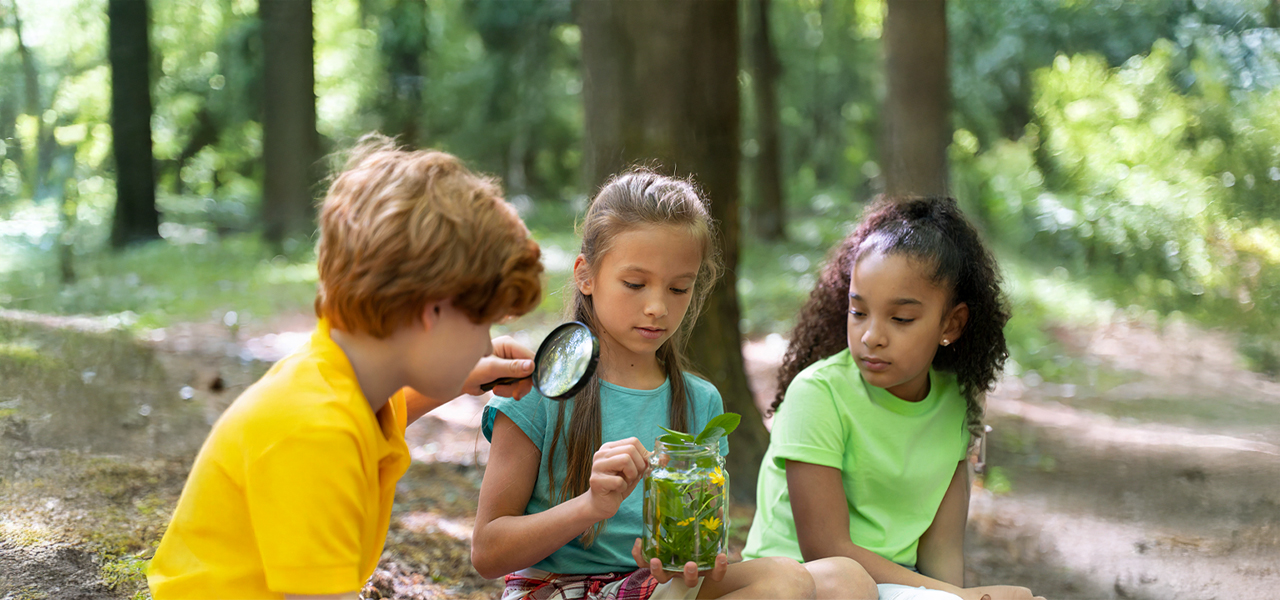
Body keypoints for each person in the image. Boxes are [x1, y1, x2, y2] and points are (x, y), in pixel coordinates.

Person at [147, 135, 545, 599]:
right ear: (431, 312)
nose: (483, 343)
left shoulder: (330, 382)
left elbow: (383, 412)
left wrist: (463, 377)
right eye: (482, 323)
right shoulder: (314, 434)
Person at [472, 170, 877, 600]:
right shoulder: (540, 388)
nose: (656, 307)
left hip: (655, 589)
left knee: (846, 580)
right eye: (635, 284)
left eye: (679, 288)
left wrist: (692, 554)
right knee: (785, 582)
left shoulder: (700, 401)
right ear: (586, 275)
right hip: (558, 589)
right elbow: (487, 552)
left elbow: (699, 552)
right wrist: (589, 507)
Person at [742, 197, 1045, 600]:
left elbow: (941, 554)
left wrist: (954, 597)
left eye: (900, 319)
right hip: (810, 584)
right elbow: (826, 549)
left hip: (900, 585)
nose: (872, 336)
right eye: (858, 312)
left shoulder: (957, 405)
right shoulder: (818, 394)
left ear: (951, 324)